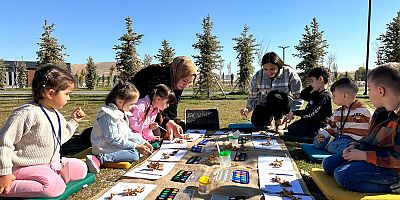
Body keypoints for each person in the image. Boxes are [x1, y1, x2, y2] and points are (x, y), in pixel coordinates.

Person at [0, 65, 87, 198]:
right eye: (67, 94)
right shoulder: (26, 113)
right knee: (53, 187)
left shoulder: (55, 113)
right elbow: (4, 143)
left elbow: (60, 137)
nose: (69, 99)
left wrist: (74, 121)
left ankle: (51, 175)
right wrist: (4, 173)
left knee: (81, 169)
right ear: (50, 93)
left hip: (50, 164)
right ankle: (6, 188)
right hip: (24, 167)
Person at [322, 63, 400, 193]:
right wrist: (355, 146)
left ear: (381, 91)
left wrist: (364, 156)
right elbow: (369, 139)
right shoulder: (380, 113)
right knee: (328, 165)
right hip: (373, 158)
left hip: (393, 170)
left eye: (369, 89)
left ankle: (394, 186)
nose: (368, 93)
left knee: (343, 176)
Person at [87, 81, 153, 174]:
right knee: (134, 154)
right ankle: (99, 159)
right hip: (104, 148)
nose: (134, 107)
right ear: (120, 101)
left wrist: (143, 142)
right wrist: (136, 146)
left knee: (137, 152)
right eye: (131, 104)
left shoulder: (121, 112)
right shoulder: (107, 115)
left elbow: (128, 133)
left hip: (114, 146)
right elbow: (113, 139)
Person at [130, 56, 197, 140]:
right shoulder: (155, 74)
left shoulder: (177, 79)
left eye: (189, 82)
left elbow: (173, 103)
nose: (186, 85)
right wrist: (167, 122)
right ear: (178, 74)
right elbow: (154, 102)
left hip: (149, 111)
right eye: (184, 81)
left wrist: (171, 122)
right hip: (133, 110)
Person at [240, 52, 303, 131]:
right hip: (266, 103)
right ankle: (269, 121)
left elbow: (298, 97)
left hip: (284, 103)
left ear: (279, 66)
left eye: (272, 69)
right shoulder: (258, 76)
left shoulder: (290, 73)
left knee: (274, 96)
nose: (269, 72)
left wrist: (292, 112)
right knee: (257, 122)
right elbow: (254, 96)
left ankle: (280, 121)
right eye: (265, 69)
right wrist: (248, 109)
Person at [313, 78, 372, 153]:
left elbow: (374, 128)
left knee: (333, 147)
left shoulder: (365, 111)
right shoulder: (338, 113)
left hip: (356, 141)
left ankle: (352, 149)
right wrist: (323, 135)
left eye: (334, 96)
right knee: (317, 143)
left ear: (344, 96)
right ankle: (336, 146)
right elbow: (331, 128)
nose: (332, 98)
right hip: (340, 138)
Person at [285, 67, 333, 140]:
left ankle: (317, 134)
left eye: (312, 81)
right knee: (291, 128)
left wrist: (295, 113)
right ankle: (312, 134)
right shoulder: (315, 93)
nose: (311, 84)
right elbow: (303, 95)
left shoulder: (324, 96)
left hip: (319, 123)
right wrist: (312, 87)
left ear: (320, 79)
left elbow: (312, 112)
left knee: (293, 129)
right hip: (310, 121)